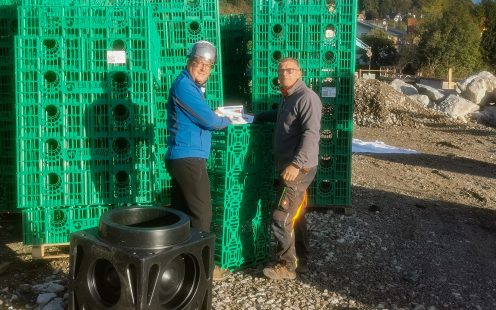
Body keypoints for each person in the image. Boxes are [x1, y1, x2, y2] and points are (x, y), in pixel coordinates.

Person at [165, 40, 232, 281]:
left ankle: (179, 263)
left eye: (208, 65)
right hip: (187, 157)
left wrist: (212, 115)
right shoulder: (184, 86)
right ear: (189, 62)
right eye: (199, 63)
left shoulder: (191, 87)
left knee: (181, 213)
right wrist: (229, 120)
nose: (204, 68)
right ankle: (203, 268)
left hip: (184, 157)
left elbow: (201, 117)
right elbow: (209, 122)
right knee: (202, 213)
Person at [255, 57, 322, 280]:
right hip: (290, 166)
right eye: (280, 70)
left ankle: (287, 265)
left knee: (280, 217)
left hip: (298, 169)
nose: (283, 74)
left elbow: (311, 134)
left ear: (299, 73)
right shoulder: (288, 97)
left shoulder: (306, 97)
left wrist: (296, 164)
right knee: (296, 215)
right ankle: (302, 258)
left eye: (289, 70)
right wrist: (257, 117)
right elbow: (284, 118)